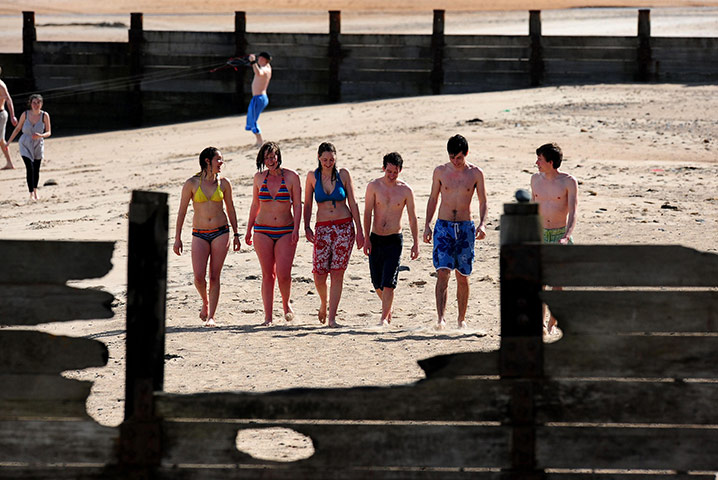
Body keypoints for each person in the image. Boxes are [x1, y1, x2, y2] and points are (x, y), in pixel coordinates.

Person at [423, 134, 487, 330]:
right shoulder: (440, 171)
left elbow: (483, 201)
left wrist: (483, 224)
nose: (455, 161)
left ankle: (461, 319)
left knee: (462, 275)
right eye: (452, 157)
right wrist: (427, 224)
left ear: (466, 153)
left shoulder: (475, 173)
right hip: (443, 226)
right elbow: (433, 198)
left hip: (466, 227)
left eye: (459, 157)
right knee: (442, 272)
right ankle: (441, 318)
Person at [173, 147, 241, 327]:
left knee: (214, 277)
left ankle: (211, 316)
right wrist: (177, 237)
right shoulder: (192, 184)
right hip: (199, 234)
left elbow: (231, 209)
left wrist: (236, 234)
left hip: (221, 231)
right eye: (218, 159)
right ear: (207, 161)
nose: (221, 163)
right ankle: (205, 301)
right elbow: (182, 211)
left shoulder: (224, 183)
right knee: (198, 277)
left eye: (222, 160)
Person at [304, 142, 364, 327]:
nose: (328, 163)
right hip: (322, 228)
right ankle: (323, 303)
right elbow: (307, 204)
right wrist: (306, 226)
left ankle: (332, 318)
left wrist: (360, 231)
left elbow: (353, 203)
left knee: (337, 272)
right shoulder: (312, 177)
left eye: (331, 159)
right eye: (325, 159)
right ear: (319, 158)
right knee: (319, 274)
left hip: (344, 227)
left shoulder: (343, 175)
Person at [245, 142, 302, 326]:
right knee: (268, 274)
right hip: (262, 230)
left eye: (273, 156)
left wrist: (297, 229)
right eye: (267, 157)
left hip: (286, 230)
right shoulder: (258, 178)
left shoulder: (292, 177)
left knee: (284, 274)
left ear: (279, 156)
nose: (270, 160)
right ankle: (268, 317)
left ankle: (286, 305)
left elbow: (298, 205)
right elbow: (255, 205)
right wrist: (248, 229)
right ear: (262, 159)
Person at [363, 152, 419, 326]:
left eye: (395, 172)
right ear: (383, 168)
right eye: (389, 171)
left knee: (389, 282)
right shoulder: (373, 186)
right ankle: (388, 307)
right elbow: (367, 213)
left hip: (394, 240)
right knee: (377, 282)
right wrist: (366, 238)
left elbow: (412, 217)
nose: (392, 175)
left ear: (400, 170)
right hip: (376, 238)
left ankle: (383, 319)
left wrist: (416, 243)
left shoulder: (405, 190)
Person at [530, 142, 578, 335]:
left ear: (550, 162)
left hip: (559, 235)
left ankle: (554, 318)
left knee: (557, 285)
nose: (536, 163)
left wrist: (566, 236)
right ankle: (540, 325)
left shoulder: (568, 181)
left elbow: (574, 212)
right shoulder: (535, 179)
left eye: (540, 159)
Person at [7, 94, 51, 201]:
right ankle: (31, 193)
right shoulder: (25, 114)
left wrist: (41, 135)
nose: (36, 105)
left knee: (36, 169)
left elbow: (49, 132)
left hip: (38, 144)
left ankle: (35, 192)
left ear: (41, 104)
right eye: (34, 103)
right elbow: (18, 129)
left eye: (38, 102)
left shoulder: (45, 115)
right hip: (25, 143)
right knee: (29, 167)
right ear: (30, 103)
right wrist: (8, 142)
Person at [245, 52, 272, 147]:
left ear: (265, 60)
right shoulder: (267, 67)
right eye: (258, 58)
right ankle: (258, 140)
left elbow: (258, 72)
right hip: (258, 98)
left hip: (259, 98)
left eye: (261, 58)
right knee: (251, 118)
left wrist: (253, 62)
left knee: (253, 119)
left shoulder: (265, 69)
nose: (259, 59)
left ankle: (260, 141)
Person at [0, 67, 18, 170]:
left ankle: (10, 163)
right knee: (1, 140)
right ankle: (9, 163)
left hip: (1, 115)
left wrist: (13, 116)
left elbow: (8, 100)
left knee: (0, 140)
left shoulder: (1, 85)